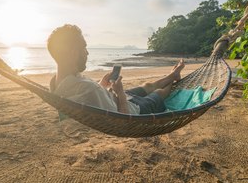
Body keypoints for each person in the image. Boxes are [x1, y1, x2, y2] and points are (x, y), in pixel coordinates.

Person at [47, 24, 185, 115]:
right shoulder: (88, 89)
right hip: (133, 109)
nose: (87, 53)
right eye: (84, 47)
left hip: (113, 97)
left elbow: (91, 97)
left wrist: (102, 85)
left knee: (147, 85)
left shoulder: (57, 84)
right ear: (73, 52)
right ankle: (173, 79)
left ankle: (173, 74)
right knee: (159, 92)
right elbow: (123, 118)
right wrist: (120, 93)